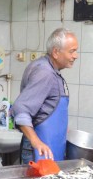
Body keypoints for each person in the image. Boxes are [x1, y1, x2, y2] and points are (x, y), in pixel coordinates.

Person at [12, 28, 79, 163]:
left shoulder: (47, 68)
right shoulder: (45, 73)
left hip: (50, 147)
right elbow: (21, 108)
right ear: (55, 52)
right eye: (71, 51)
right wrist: (36, 142)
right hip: (40, 151)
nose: (75, 56)